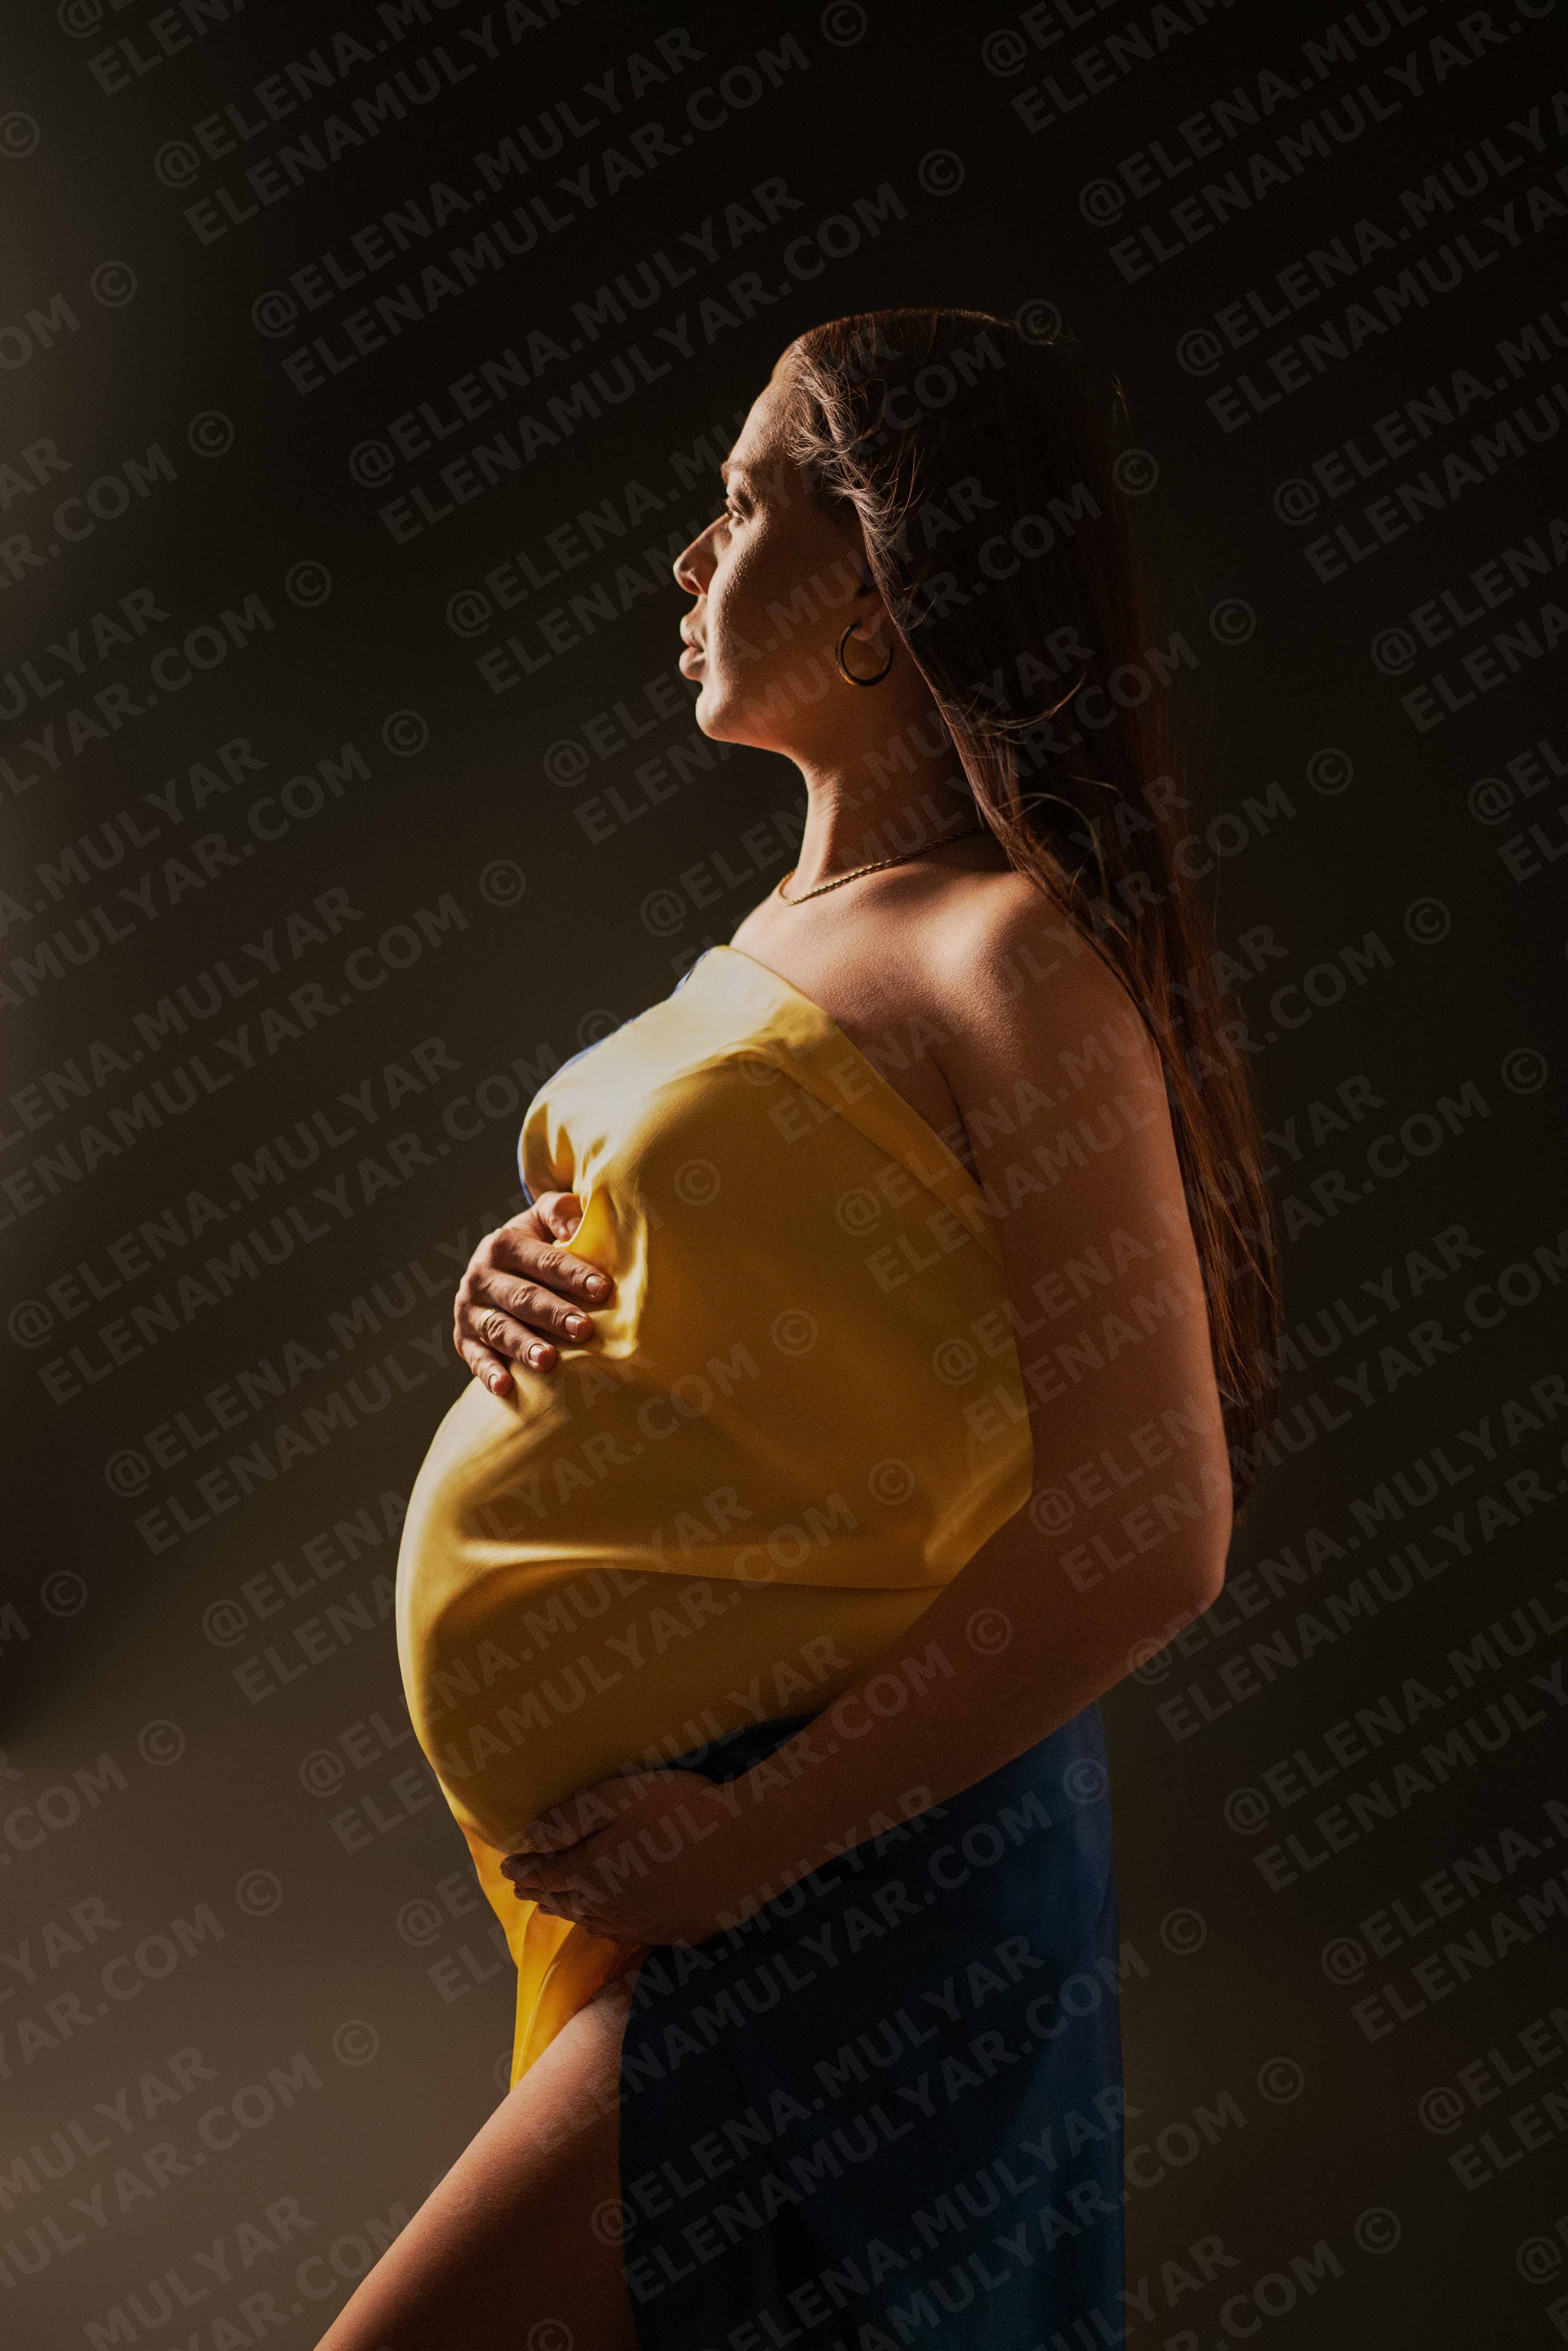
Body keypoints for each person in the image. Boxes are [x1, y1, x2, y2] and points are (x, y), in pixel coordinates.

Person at [318, 308, 1283, 2350]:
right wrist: (513, 1287)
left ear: (872, 586)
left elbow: (1156, 1523)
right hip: (716, 1873)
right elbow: (801, 1282)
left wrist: (742, 1846)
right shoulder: (776, 946)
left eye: (739, 500)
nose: (688, 560)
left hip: (847, 1870)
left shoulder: (1006, 955)